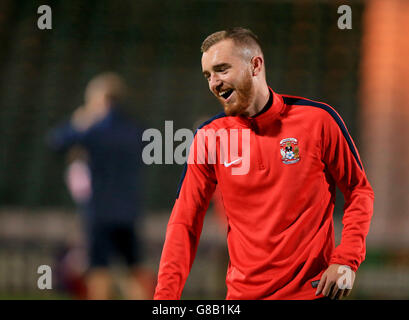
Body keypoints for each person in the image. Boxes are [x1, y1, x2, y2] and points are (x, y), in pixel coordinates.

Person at [154, 28, 374, 300]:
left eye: (222, 69)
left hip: (312, 294)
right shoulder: (209, 137)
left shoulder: (318, 120)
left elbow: (358, 191)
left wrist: (346, 259)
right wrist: (165, 298)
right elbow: (184, 222)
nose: (214, 82)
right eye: (208, 75)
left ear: (255, 65)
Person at [47, 72, 155, 299]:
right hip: (129, 211)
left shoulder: (92, 129)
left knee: (99, 271)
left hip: (100, 212)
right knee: (134, 269)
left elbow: (56, 142)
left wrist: (79, 122)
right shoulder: (135, 128)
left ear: (100, 99)